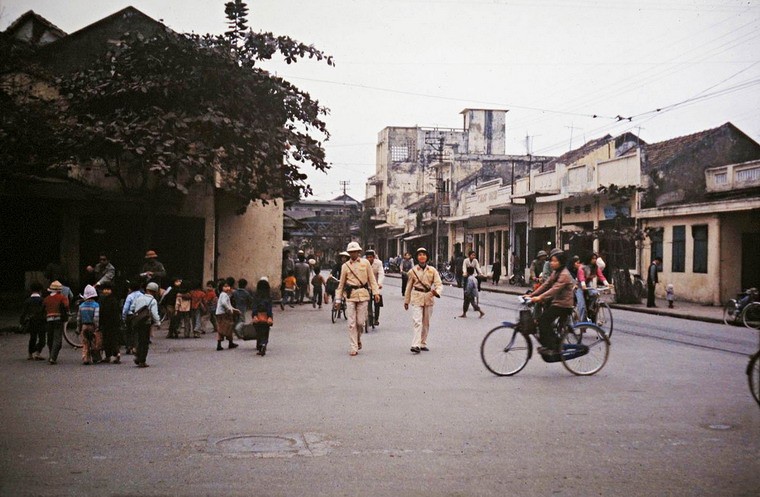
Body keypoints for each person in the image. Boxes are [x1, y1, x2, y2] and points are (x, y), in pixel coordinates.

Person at [334, 241, 380, 356]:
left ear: (359, 252)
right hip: (350, 296)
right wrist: (338, 300)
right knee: (351, 323)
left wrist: (376, 293)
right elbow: (341, 285)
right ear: (349, 253)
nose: (353, 254)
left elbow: (372, 279)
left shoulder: (365, 264)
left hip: (363, 295)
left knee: (360, 322)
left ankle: (358, 338)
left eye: (355, 251)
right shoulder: (345, 266)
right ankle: (353, 346)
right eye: (351, 252)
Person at [530, 250, 575, 355]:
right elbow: (546, 284)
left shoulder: (564, 274)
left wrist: (540, 297)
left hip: (564, 304)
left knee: (543, 321)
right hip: (557, 302)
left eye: (554, 261)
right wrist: (532, 295)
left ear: (561, 262)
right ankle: (552, 344)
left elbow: (554, 289)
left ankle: (552, 347)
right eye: (551, 261)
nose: (551, 263)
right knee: (545, 321)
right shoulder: (556, 272)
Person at [404, 247, 443, 354]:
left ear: (427, 257)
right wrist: (406, 301)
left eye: (424, 255)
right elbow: (408, 287)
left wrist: (437, 292)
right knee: (417, 321)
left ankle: (422, 343)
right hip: (417, 296)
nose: (422, 256)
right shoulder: (412, 271)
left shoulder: (432, 270)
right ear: (417, 257)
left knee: (426, 322)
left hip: (429, 297)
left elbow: (438, 284)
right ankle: (415, 345)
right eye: (420, 255)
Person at [130, 281, 161, 368]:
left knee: (139, 339)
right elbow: (154, 313)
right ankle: (142, 360)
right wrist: (158, 322)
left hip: (137, 322)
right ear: (154, 291)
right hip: (146, 323)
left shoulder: (139, 298)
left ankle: (137, 355)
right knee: (145, 341)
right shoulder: (153, 301)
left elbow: (132, 308)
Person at [43, 280, 69, 365]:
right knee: (57, 339)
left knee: (50, 338)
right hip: (58, 319)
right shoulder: (62, 297)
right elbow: (66, 306)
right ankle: (53, 357)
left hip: (49, 320)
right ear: (59, 290)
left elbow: (43, 309)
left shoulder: (46, 299)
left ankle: (51, 354)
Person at [21, 282, 46, 361]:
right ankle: (38, 352)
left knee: (32, 338)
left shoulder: (27, 301)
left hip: (31, 321)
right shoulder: (43, 300)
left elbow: (24, 312)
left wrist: (22, 322)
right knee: (42, 339)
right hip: (41, 321)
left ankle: (30, 354)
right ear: (40, 291)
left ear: (31, 290)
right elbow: (45, 311)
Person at [77, 285, 101, 365]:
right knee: (94, 341)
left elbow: (78, 318)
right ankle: (95, 358)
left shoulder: (81, 306)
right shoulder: (96, 305)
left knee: (85, 342)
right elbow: (96, 317)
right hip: (92, 326)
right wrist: (97, 327)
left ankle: (85, 358)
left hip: (84, 326)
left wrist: (78, 327)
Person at [99, 281, 122, 364]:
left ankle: (109, 355)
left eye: (107, 289)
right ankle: (116, 354)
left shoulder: (103, 300)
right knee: (113, 339)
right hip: (113, 323)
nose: (106, 291)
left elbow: (101, 312)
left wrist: (100, 323)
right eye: (105, 289)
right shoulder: (114, 300)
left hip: (107, 323)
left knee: (107, 340)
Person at [215, 277, 240, 351]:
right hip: (224, 314)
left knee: (223, 328)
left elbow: (228, 304)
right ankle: (229, 342)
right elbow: (224, 303)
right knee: (228, 327)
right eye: (225, 286)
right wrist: (229, 309)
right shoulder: (224, 295)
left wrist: (234, 310)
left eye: (228, 286)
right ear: (221, 287)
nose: (227, 288)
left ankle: (222, 343)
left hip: (220, 313)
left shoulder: (224, 294)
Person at [251, 277, 274, 356]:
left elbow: (254, 307)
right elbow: (269, 308)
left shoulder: (256, 296)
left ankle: (260, 345)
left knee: (259, 332)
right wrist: (270, 317)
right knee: (265, 332)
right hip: (266, 316)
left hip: (258, 315)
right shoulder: (269, 297)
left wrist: (254, 315)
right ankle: (264, 344)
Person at [122, 280, 143, 355]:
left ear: (130, 288)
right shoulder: (142, 295)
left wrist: (123, 317)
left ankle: (128, 347)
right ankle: (135, 347)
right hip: (139, 315)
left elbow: (125, 308)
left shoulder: (130, 296)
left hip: (130, 315)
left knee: (128, 331)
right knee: (136, 332)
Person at [365, 250, 384, 326]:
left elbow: (381, 273)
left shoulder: (378, 263)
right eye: (368, 257)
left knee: (377, 300)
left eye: (371, 257)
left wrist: (379, 283)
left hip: (376, 284)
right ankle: (369, 317)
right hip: (366, 284)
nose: (369, 259)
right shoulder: (364, 263)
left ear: (374, 257)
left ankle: (376, 318)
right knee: (367, 300)